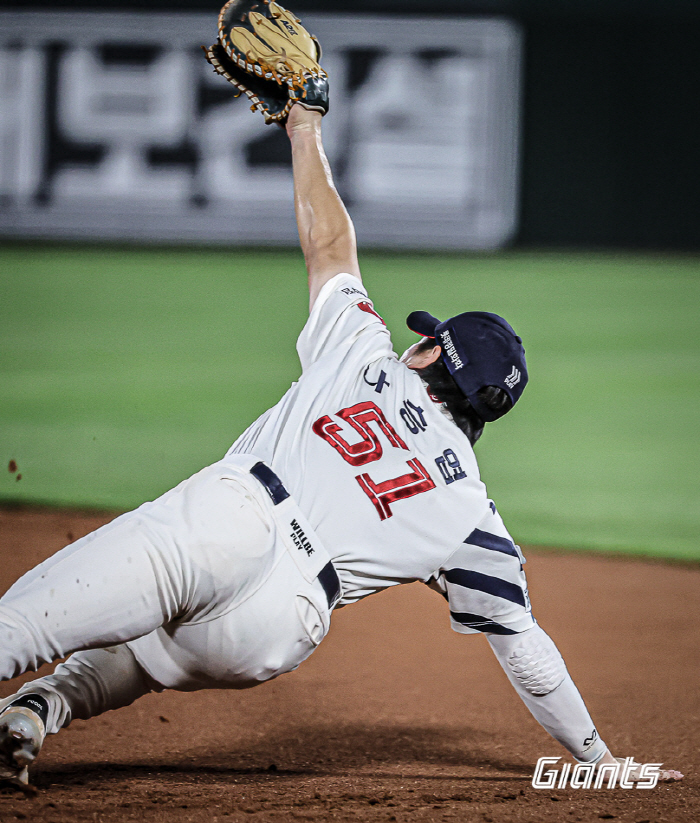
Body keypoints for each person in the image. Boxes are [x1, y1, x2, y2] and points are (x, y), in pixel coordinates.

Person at [0, 103, 681, 788]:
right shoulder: (471, 513)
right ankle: (34, 711)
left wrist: (304, 128)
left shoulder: (366, 353)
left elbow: (328, 243)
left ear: (425, 356)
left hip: (238, 517)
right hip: (277, 631)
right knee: (144, 655)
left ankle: (29, 681)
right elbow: (525, 646)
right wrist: (600, 759)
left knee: (28, 623)